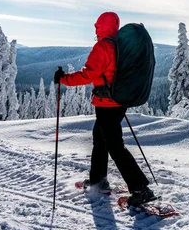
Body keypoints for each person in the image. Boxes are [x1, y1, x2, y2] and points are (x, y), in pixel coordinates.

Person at [54, 12, 155, 207]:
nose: (95, 27)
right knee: (100, 141)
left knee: (115, 146)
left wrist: (63, 78)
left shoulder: (103, 47)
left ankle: (140, 188)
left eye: (97, 24)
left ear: (101, 26)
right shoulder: (119, 47)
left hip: (107, 104)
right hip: (118, 103)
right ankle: (97, 181)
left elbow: (87, 75)